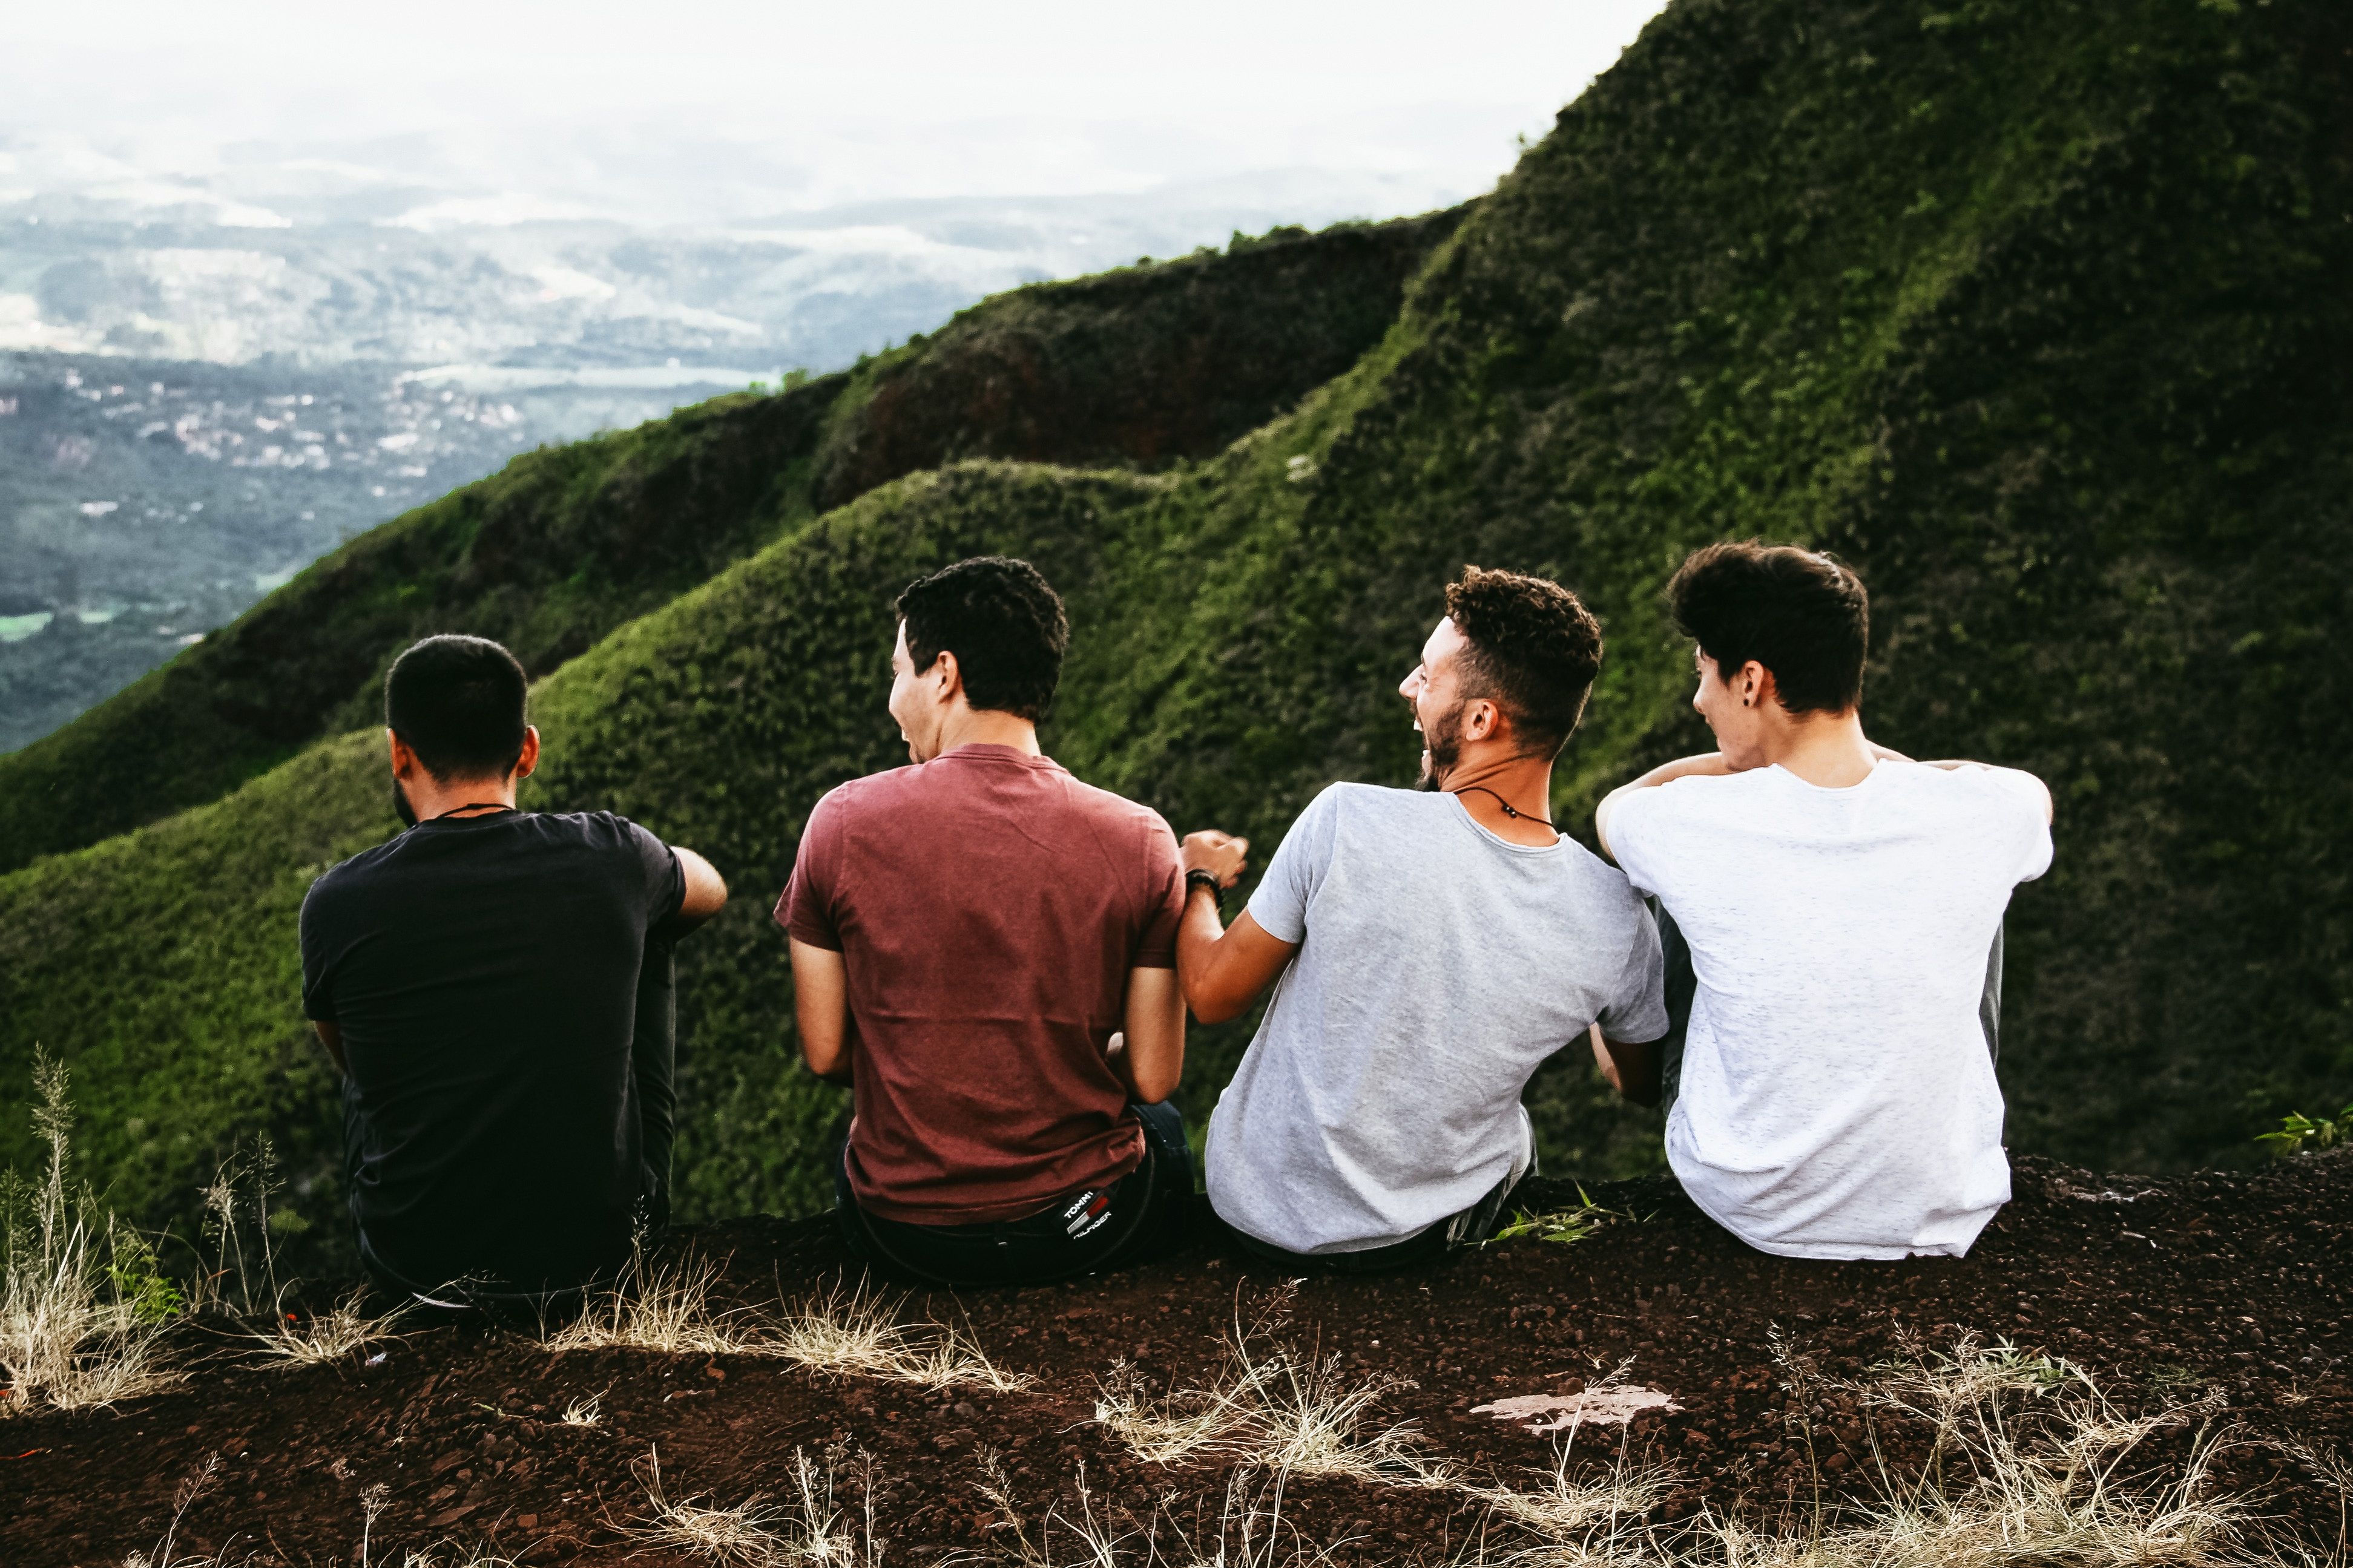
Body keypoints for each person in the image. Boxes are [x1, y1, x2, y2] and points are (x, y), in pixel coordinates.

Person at [1179, 566, 1670, 1271]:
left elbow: (1211, 993)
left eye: (1425, 675)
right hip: (1416, 1240)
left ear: (1479, 719)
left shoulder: (1345, 817)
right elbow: (1636, 1083)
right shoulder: (1616, 915)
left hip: (1252, 1214)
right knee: (1514, 1133)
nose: (1407, 688)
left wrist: (1197, 878)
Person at [1594, 542, 2054, 1261]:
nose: (1696, 701)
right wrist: (1883, 771)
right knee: (1975, 880)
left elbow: (1616, 809)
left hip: (1749, 1200)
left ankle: (1640, 1084)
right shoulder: (1986, 812)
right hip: (1939, 1205)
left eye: (1703, 675)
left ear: (1750, 680)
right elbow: (2022, 790)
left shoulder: (1685, 819)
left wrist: (1736, 766)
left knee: (1667, 891)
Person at [779, 556, 1194, 1287]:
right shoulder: (1142, 838)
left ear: (943, 673)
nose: (891, 699)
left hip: (903, 1235)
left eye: (897, 672)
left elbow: (826, 1051)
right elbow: (1154, 1075)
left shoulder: (840, 821)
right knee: (1160, 1130)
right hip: (1080, 1228)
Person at [300, 635, 728, 1307]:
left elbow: (355, 1065)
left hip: (414, 1264)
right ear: (527, 749)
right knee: (654, 922)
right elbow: (711, 889)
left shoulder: (336, 900)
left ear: (397, 751)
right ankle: (627, 1201)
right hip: (594, 1256)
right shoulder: (612, 855)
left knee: (370, 1034)